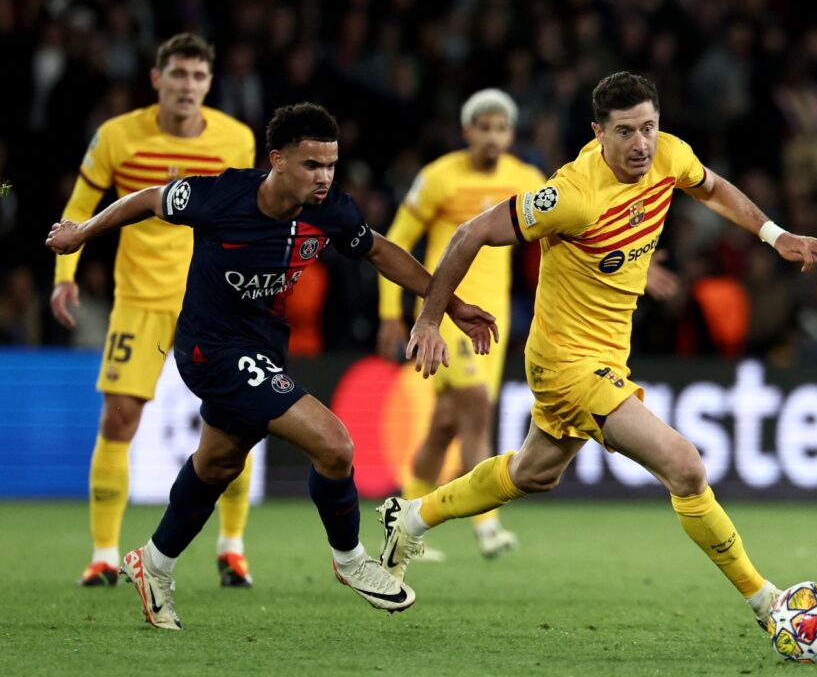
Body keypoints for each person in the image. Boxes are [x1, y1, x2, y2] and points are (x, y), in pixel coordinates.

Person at [378, 72, 817, 630]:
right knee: (685, 466)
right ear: (598, 132)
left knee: (532, 473)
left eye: (648, 127)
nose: (641, 143)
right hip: (565, 363)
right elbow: (468, 234)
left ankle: (410, 519)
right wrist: (428, 318)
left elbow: (712, 187)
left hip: (607, 355)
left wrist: (775, 235)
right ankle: (768, 604)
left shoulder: (668, 155)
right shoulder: (570, 195)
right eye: (625, 132)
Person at [46, 102, 498, 630]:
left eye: (330, 165)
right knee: (335, 445)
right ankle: (352, 560)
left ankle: (152, 563)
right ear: (277, 161)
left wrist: (451, 305)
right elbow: (147, 200)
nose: (324, 177)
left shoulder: (329, 210)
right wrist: (82, 233)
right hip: (209, 349)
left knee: (217, 464)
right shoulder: (222, 195)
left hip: (262, 346)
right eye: (312, 165)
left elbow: (377, 251)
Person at [50, 33, 259, 588]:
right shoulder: (117, 137)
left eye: (198, 77)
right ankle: (101, 554)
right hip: (140, 301)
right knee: (119, 420)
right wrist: (65, 275)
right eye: (178, 75)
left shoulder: (236, 141)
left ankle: (232, 549)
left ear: (210, 84)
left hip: (213, 301)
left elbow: (251, 216)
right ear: (156, 78)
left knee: (238, 422)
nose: (187, 86)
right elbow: (79, 208)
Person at [376, 89, 545, 560]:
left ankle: (401, 522)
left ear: (511, 134)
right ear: (468, 131)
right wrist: (390, 311)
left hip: (492, 318)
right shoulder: (438, 178)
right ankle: (487, 525)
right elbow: (396, 242)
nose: (492, 137)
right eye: (483, 128)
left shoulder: (526, 179)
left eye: (501, 128)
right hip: (448, 313)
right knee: (476, 409)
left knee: (445, 425)